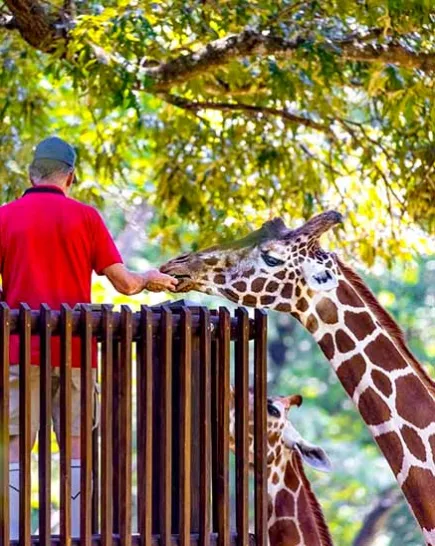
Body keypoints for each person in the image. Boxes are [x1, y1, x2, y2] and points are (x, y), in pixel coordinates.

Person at [0, 136, 178, 538]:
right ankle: (78, 533)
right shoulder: (86, 218)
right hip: (76, 354)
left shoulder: (4, 217)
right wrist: (149, 278)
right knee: (77, 446)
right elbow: (126, 285)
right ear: (71, 177)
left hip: (18, 353)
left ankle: (13, 535)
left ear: (31, 174)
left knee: (14, 444)